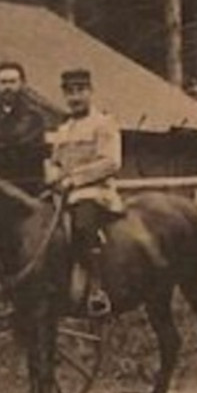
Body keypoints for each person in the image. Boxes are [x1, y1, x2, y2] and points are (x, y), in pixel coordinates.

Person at [45, 68, 123, 316]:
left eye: (80, 91)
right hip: (64, 193)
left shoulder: (103, 123)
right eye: (70, 92)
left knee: (83, 225)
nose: (75, 97)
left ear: (90, 92)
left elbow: (111, 162)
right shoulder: (64, 129)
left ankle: (97, 289)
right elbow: (55, 162)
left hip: (96, 191)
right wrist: (54, 175)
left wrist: (75, 179)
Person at [0, 61, 48, 189]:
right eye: (3, 82)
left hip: (26, 183)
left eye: (12, 82)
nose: (8, 87)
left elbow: (19, 142)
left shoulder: (34, 116)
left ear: (22, 84)